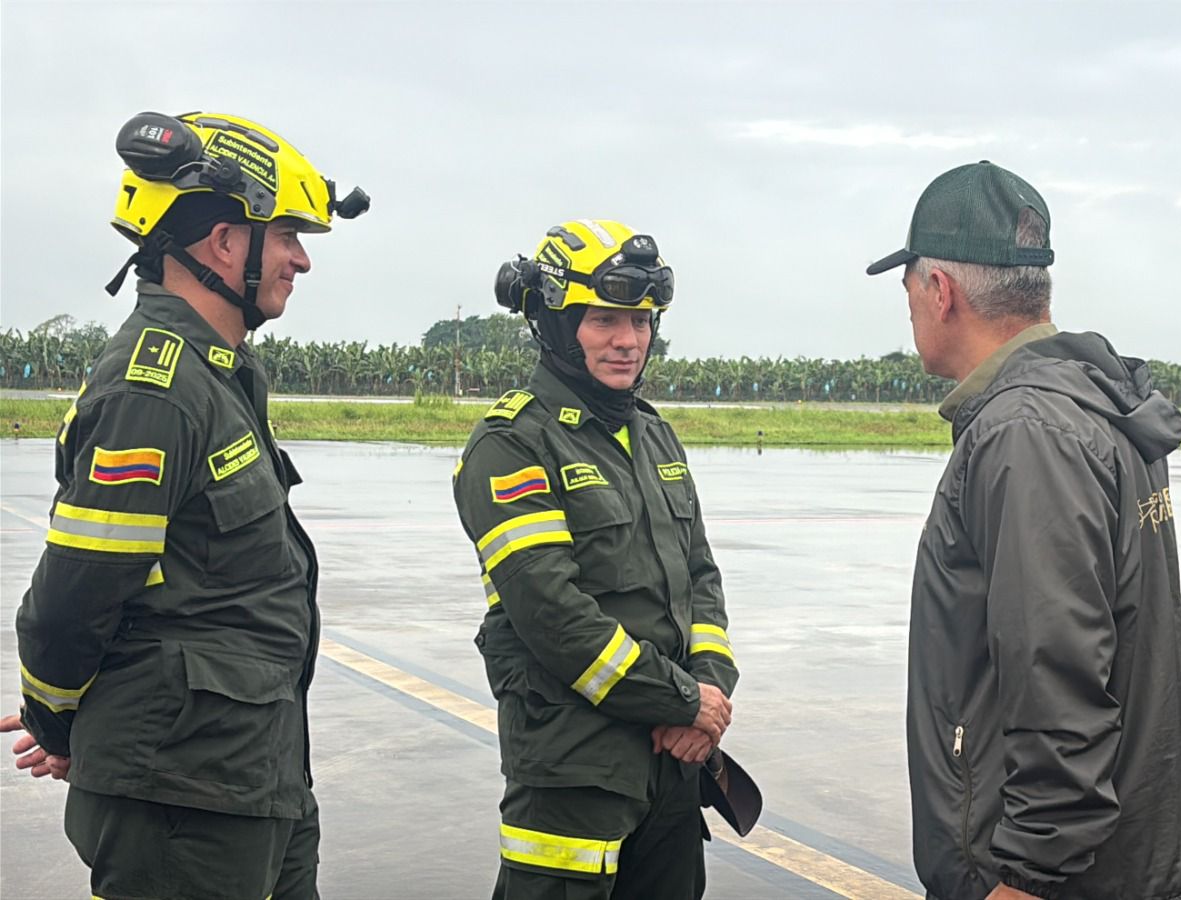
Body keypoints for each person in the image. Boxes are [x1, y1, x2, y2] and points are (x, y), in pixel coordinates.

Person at [3, 111, 367, 899]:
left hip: (248, 778)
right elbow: (71, 598)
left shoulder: (221, 378)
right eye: (288, 235)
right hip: (181, 794)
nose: (301, 258)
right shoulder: (155, 389)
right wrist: (58, 721)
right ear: (224, 241)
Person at [867, 161, 1181, 900]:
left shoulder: (1025, 432)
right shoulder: (1091, 409)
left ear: (940, 291)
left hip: (1047, 879)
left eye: (909, 293)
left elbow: (1058, 668)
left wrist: (1028, 874)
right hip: (1122, 861)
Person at [454, 219, 738, 899]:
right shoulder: (513, 445)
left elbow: (700, 579)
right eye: (606, 319)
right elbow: (553, 614)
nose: (629, 341)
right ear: (556, 323)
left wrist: (708, 687)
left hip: (672, 767)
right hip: (576, 774)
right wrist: (680, 701)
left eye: (641, 321)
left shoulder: (655, 436)